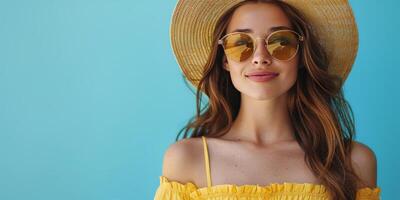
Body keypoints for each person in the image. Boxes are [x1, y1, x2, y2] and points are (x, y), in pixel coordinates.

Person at [154, 0, 381, 199]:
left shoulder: (353, 162)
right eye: (240, 43)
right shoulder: (186, 160)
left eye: (281, 42)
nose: (260, 57)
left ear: (302, 55)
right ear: (225, 60)